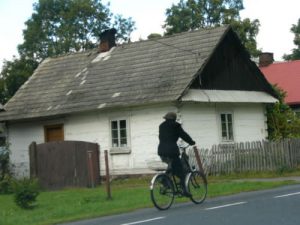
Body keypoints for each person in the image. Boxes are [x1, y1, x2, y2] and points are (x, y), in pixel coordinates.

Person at [158, 112, 196, 196]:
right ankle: (184, 190)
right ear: (174, 119)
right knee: (182, 171)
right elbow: (183, 135)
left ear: (166, 118)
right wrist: (191, 142)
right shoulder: (176, 125)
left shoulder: (161, 126)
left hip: (161, 151)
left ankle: (166, 181)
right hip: (172, 152)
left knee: (171, 167)